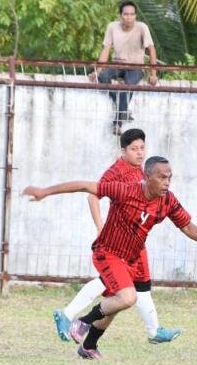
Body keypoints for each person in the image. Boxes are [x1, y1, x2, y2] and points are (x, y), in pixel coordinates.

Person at [24, 156, 197, 359]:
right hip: (108, 253)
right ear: (147, 177)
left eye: (169, 178)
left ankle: (88, 346)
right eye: (161, 177)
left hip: (131, 258)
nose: (166, 182)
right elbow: (86, 187)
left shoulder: (167, 200)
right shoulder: (125, 190)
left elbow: (186, 225)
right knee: (128, 297)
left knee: (114, 303)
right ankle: (83, 321)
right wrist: (44, 192)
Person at [52, 128, 181, 344]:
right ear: (123, 151)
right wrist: (100, 227)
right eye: (134, 149)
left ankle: (148, 332)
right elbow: (92, 196)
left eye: (142, 148)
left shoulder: (144, 170)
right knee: (117, 288)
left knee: (134, 288)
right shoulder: (116, 172)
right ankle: (69, 315)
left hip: (136, 241)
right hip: (118, 243)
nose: (139, 153)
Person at [88, 1, 158, 136]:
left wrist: (153, 74)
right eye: (126, 14)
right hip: (117, 64)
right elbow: (106, 49)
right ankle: (124, 109)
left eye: (132, 14)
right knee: (102, 77)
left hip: (136, 66)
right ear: (120, 15)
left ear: (135, 16)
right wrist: (97, 71)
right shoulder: (112, 27)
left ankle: (117, 123)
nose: (129, 17)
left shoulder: (142, 27)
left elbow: (151, 50)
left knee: (128, 86)